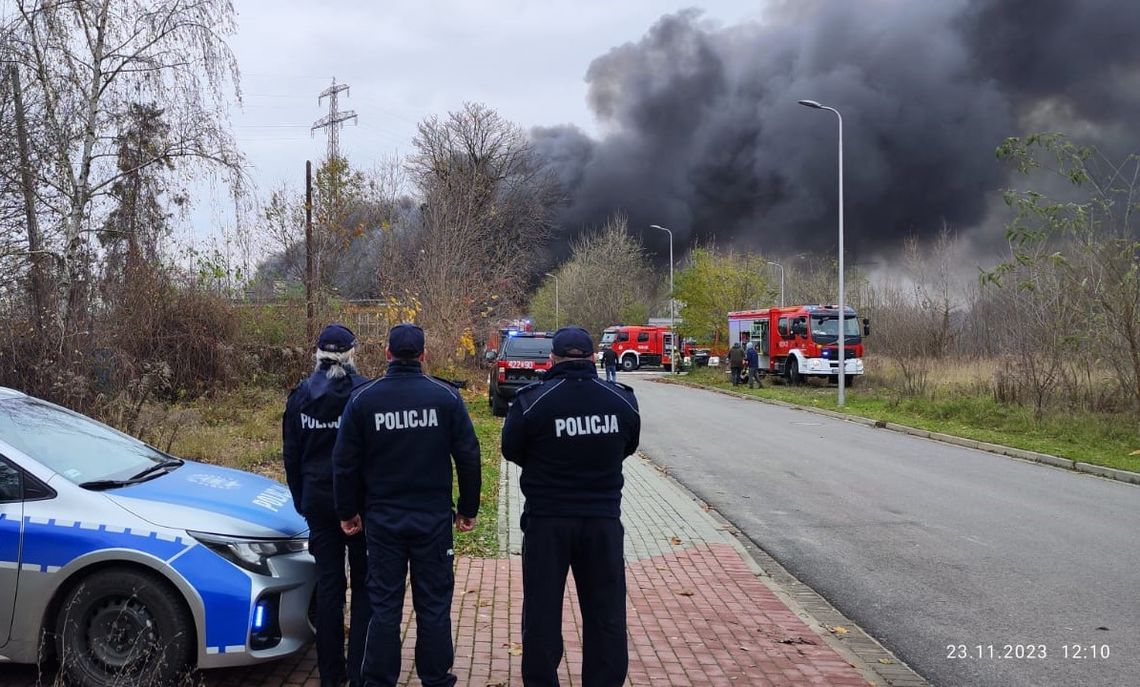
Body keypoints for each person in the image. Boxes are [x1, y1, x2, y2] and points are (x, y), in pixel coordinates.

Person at [332, 324, 481, 687]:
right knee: (433, 603)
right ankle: (435, 676)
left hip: (383, 521)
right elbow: (468, 455)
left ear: (387, 354)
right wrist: (468, 508)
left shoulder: (365, 399)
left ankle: (380, 679)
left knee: (384, 604)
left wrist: (347, 511)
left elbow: (344, 462)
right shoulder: (445, 398)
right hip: (432, 520)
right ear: (423, 355)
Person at [502, 326, 641, 687]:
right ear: (593, 357)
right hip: (603, 521)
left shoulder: (533, 400)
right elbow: (628, 445)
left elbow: (512, 450)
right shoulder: (621, 400)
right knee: (606, 611)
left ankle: (542, 680)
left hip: (548, 519)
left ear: (553, 359)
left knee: (542, 611)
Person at [282, 323, 372, 687]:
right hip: (360, 504)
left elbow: (292, 454)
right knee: (365, 584)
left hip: (318, 500)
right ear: (352, 353)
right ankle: (360, 669)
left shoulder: (300, 395)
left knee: (330, 586)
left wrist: (301, 499)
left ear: (317, 354)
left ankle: (331, 675)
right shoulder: (364, 393)